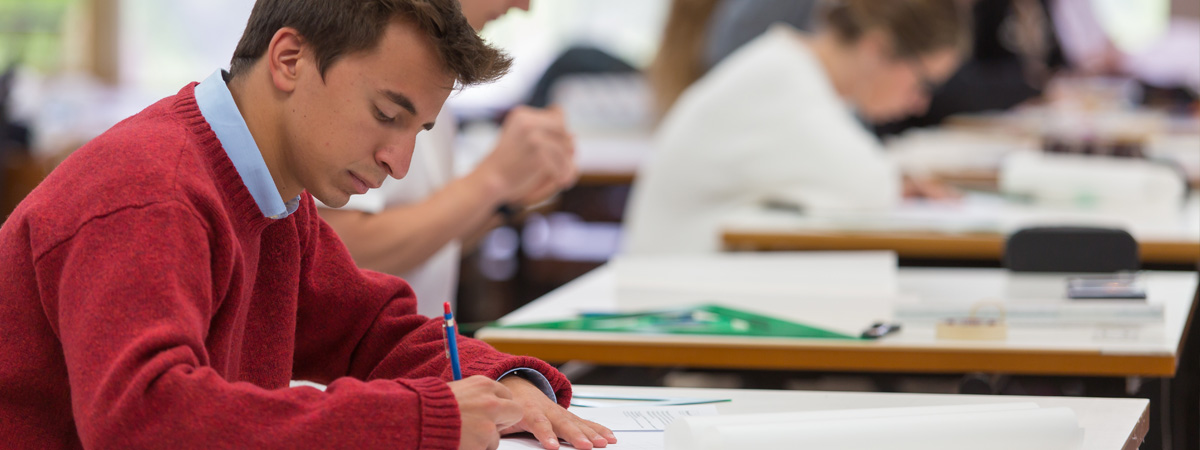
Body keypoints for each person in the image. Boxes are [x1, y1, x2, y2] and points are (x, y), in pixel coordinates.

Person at [0, 1, 616, 449]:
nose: (398, 164)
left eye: (417, 132)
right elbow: (144, 420)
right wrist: (419, 418)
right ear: (289, 59)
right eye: (385, 115)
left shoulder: (272, 196)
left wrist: (504, 381)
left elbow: (369, 332)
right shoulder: (149, 192)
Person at [623, 0, 971, 254]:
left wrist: (897, 183)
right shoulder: (785, 85)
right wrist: (895, 184)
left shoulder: (792, 67)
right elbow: (867, 187)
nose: (920, 103)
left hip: (683, 286)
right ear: (876, 49)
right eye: (923, 82)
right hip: (668, 321)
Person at [317, 0, 578, 318]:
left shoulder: (430, 91)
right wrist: (490, 180)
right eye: (387, 115)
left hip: (409, 355)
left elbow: (431, 246)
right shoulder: (371, 64)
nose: (524, 5)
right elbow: (336, 252)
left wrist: (506, 196)